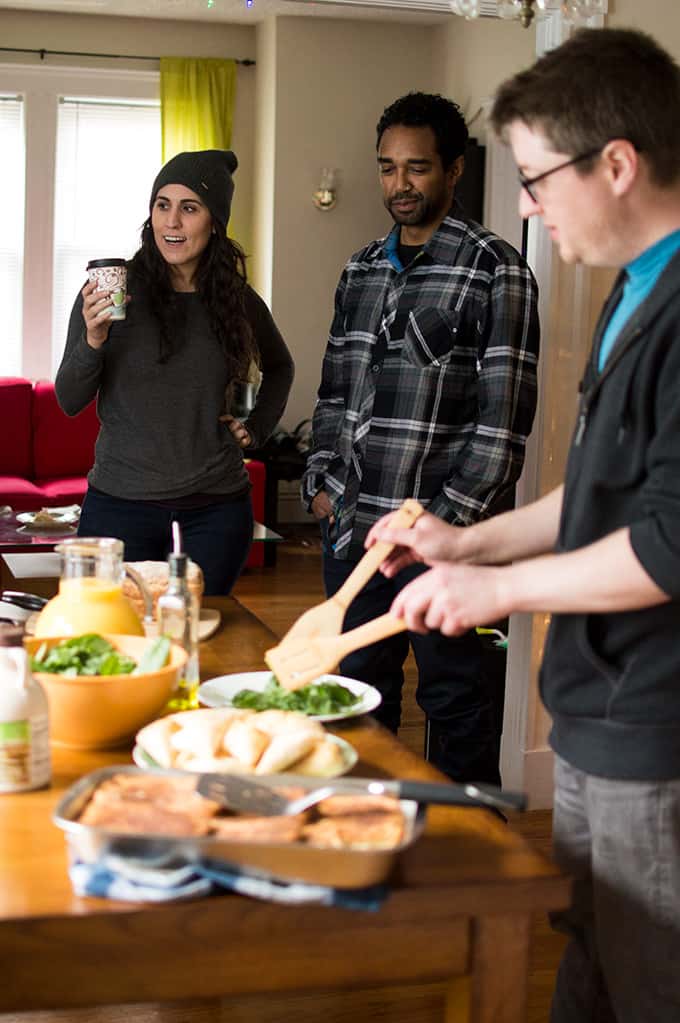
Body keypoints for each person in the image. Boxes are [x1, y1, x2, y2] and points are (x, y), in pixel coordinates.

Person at [368, 28, 680, 1023]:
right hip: (594, 709)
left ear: (617, 165)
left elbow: (668, 543)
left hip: (653, 722)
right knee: (585, 966)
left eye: (537, 177)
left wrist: (494, 592)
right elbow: (593, 490)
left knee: (647, 985)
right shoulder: (628, 293)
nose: (526, 204)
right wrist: (470, 543)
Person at [301, 92, 540, 784]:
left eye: (417, 168)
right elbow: (334, 389)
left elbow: (501, 430)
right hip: (355, 533)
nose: (399, 185)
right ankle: (366, 825)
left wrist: (444, 526)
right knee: (354, 698)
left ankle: (457, 850)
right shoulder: (360, 269)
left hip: (445, 543)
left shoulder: (495, 269)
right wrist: (320, 480)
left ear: (453, 169)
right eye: (387, 169)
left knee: (458, 701)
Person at [56, 149, 294, 594]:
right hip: (119, 507)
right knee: (116, 638)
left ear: (214, 222)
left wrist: (255, 428)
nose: (172, 222)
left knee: (198, 639)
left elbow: (281, 367)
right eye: (162, 206)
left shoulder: (237, 300)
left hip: (215, 511)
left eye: (189, 208)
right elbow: (69, 399)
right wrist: (93, 340)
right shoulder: (113, 291)